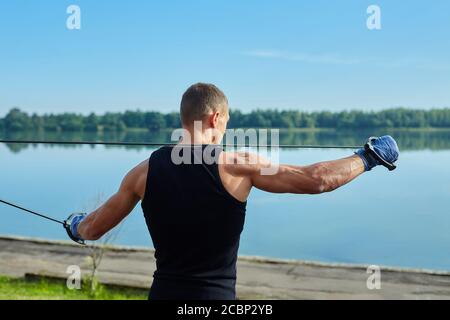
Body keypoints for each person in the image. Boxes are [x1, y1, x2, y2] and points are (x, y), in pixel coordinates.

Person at [65, 83, 399, 300]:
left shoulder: (143, 172)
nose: (226, 128)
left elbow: (92, 229)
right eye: (226, 121)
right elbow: (316, 179)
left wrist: (75, 224)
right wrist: (368, 158)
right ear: (214, 117)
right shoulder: (238, 165)